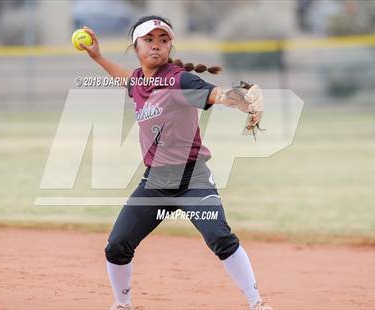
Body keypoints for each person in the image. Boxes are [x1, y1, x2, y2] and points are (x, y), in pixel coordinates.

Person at [79, 15, 272, 310]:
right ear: (136, 46)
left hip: (192, 179)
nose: (156, 46)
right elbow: (127, 80)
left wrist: (243, 100)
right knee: (117, 246)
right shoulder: (140, 81)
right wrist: (98, 57)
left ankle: (256, 303)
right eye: (149, 40)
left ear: (170, 46)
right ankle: (122, 305)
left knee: (219, 236)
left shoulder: (179, 79)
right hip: (154, 183)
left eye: (163, 40)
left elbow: (216, 94)